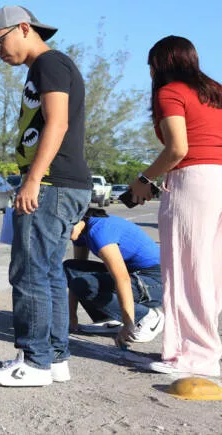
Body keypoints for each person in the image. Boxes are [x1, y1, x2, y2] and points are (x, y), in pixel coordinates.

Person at [0, 5, 91, 387]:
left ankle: (35, 362)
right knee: (48, 272)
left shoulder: (49, 64)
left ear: (23, 28)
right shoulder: (46, 68)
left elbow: (57, 122)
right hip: (62, 185)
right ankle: (55, 359)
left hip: (52, 184)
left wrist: (33, 180)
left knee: (28, 273)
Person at [128, 36, 222, 377]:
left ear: (160, 63)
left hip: (193, 180)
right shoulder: (215, 91)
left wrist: (144, 180)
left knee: (185, 271)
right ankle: (207, 349)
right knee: (211, 272)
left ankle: (194, 355)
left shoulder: (171, 92)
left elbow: (177, 148)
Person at [63, 208, 164, 347]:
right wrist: (72, 318)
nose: (59, 234)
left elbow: (122, 279)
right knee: (70, 267)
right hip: (135, 274)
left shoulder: (99, 231)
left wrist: (128, 323)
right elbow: (74, 275)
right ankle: (111, 318)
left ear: (76, 218)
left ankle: (147, 316)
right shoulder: (80, 232)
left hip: (157, 279)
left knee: (87, 284)